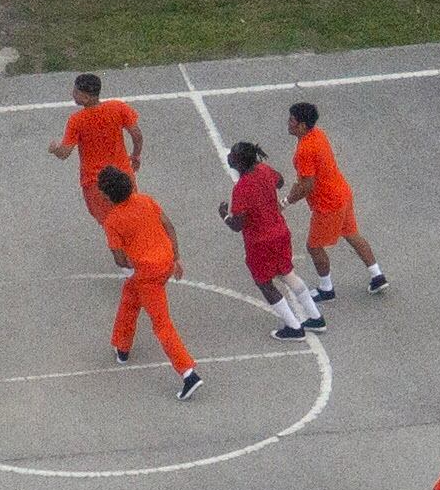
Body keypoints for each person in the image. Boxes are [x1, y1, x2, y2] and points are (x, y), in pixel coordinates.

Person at [97, 166, 206, 399]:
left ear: (108, 195)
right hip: (165, 262)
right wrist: (175, 258)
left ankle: (188, 373)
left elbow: (119, 260)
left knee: (162, 324)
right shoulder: (146, 201)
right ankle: (122, 346)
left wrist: (132, 261)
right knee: (129, 297)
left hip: (147, 274)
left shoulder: (112, 221)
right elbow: (170, 227)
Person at [284, 102, 386, 299]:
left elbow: (307, 185)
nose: (288, 123)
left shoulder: (305, 149)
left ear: (303, 126)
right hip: (342, 193)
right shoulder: (318, 134)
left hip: (328, 203)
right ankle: (377, 275)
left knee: (314, 246)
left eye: (292, 121)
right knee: (351, 233)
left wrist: (286, 202)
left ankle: (326, 288)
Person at [223, 140, 323, 337]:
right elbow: (280, 181)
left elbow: (237, 225)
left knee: (264, 282)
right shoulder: (263, 169)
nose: (229, 157)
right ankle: (315, 317)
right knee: (287, 273)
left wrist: (224, 215)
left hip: (260, 241)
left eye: (233, 155)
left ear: (240, 163)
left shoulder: (241, 188)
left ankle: (294, 327)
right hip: (280, 232)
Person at [51, 75, 142, 235]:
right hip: (123, 175)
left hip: (95, 182)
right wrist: (135, 155)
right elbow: (136, 135)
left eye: (76, 92)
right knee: (131, 216)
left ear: (85, 97)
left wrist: (54, 148)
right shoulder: (118, 107)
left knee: (110, 224)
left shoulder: (76, 121)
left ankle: (124, 251)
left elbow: (64, 153)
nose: (73, 94)